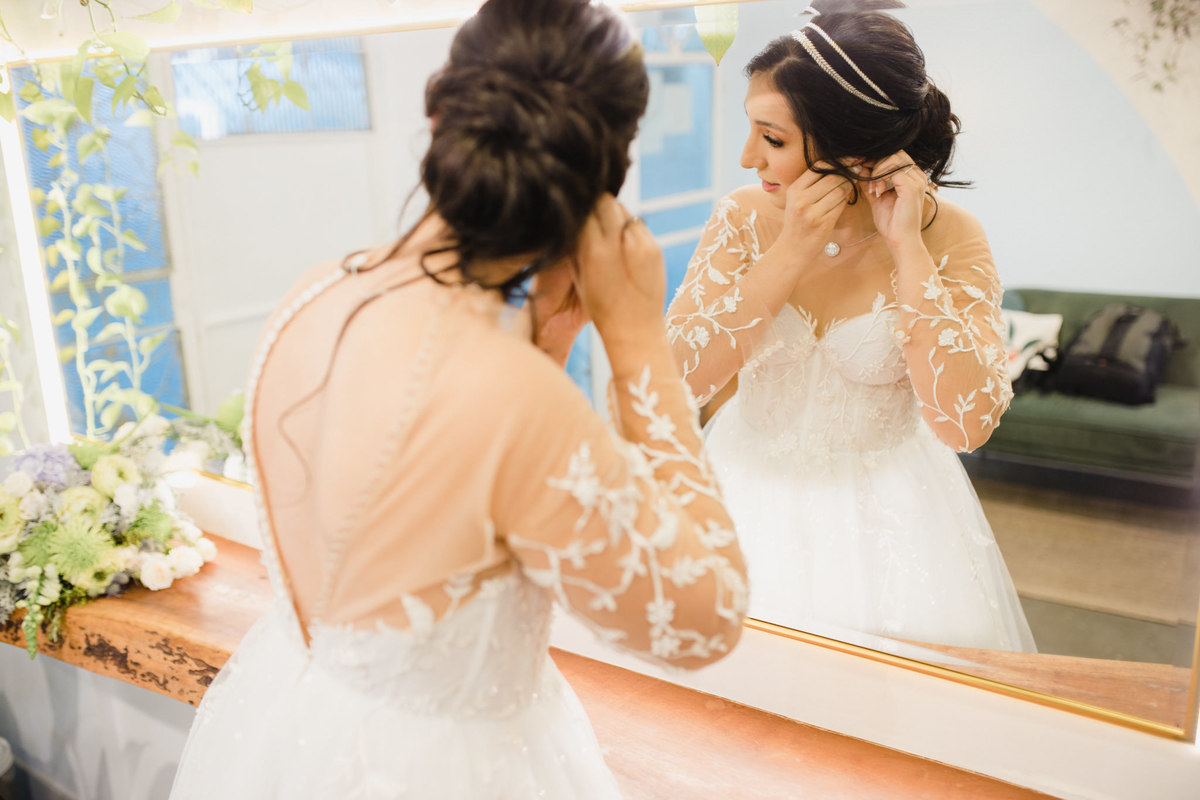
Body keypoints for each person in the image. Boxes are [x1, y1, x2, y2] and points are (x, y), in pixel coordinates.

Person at [169, 1, 747, 797]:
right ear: (604, 182)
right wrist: (640, 343)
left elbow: (427, 523)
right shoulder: (515, 398)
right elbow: (704, 622)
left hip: (298, 723)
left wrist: (550, 343)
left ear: (439, 112)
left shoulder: (320, 292)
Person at [665, 0, 1034, 652]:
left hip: (890, 521)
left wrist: (909, 252)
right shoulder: (743, 219)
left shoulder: (951, 237)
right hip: (741, 499)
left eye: (772, 138)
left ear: (853, 144)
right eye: (751, 131)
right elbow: (675, 383)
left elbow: (965, 423)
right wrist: (787, 254)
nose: (749, 156)